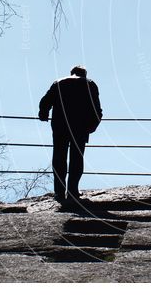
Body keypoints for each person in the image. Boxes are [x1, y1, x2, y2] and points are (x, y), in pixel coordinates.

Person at [38, 65, 103, 203]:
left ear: (72, 73)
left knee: (59, 157)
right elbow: (96, 108)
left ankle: (59, 192)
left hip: (60, 125)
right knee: (77, 158)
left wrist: (43, 114)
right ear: (84, 74)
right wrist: (93, 125)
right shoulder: (90, 84)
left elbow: (45, 101)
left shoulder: (59, 82)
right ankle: (73, 190)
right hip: (80, 126)